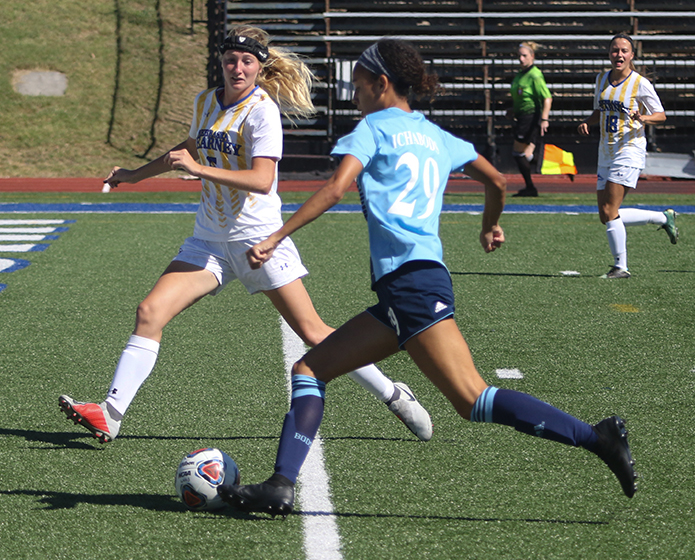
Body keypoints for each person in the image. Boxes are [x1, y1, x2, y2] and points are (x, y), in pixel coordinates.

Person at [217, 39, 638, 517]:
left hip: (411, 287)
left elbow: (335, 189)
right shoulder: (436, 136)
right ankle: (281, 483)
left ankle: (597, 438)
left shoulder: (371, 129)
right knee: (310, 369)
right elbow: (497, 181)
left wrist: (276, 237)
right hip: (412, 287)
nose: (354, 96)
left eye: (358, 86)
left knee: (473, 398)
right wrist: (488, 224)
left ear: (381, 85)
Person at [58, 26, 433, 445]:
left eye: (247, 61)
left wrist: (198, 171)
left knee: (312, 332)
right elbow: (188, 149)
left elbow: (261, 178)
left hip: (259, 240)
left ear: (259, 67)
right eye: (231, 60)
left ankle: (393, 393)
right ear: (221, 62)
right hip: (208, 242)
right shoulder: (205, 101)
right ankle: (111, 413)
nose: (238, 67)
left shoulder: (261, 110)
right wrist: (134, 175)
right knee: (149, 312)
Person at [577, 33, 677, 279]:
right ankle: (662, 217)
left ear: (632, 55)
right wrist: (587, 122)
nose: (618, 55)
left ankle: (621, 267)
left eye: (624, 51)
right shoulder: (601, 79)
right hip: (606, 150)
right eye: (614, 50)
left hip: (629, 150)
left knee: (611, 209)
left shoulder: (639, 83)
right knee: (606, 213)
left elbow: (661, 114)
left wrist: (644, 117)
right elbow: (600, 110)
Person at [507, 41, 552, 198]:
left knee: (517, 153)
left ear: (532, 56)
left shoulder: (535, 74)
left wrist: (544, 119)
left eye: (524, 56)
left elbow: (547, 98)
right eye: (519, 56)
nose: (521, 59)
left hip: (530, 116)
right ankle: (549, 163)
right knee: (525, 155)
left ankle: (530, 187)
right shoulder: (521, 74)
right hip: (521, 116)